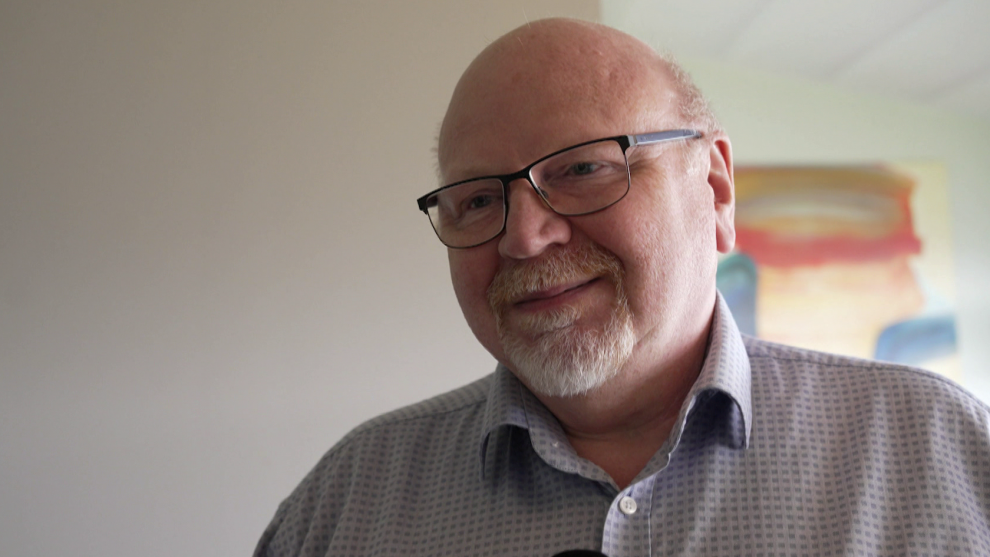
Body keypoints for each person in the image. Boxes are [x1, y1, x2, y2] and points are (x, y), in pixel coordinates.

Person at [255, 18, 990, 556]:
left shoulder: (943, 456)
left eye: (583, 168)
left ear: (715, 189)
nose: (523, 237)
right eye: (477, 200)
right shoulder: (342, 508)